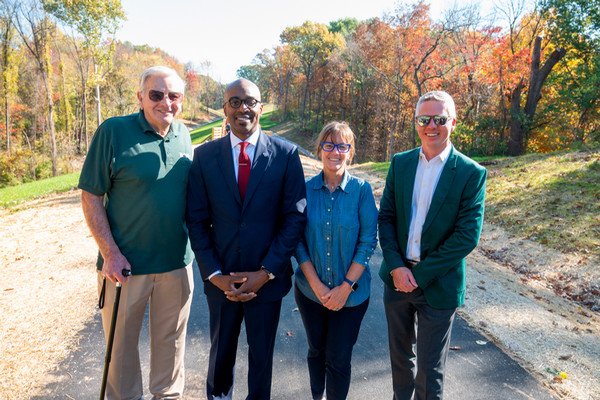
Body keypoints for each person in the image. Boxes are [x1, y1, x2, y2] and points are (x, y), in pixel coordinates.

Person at [185, 78, 307, 400]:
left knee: (262, 358)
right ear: (224, 109)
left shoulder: (286, 154)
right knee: (220, 355)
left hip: (266, 282)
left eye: (250, 101)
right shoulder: (205, 156)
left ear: (261, 108)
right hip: (221, 281)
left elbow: (294, 218)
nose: (243, 108)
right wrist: (215, 275)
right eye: (235, 102)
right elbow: (196, 220)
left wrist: (266, 272)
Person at [78, 66, 195, 400]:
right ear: (141, 97)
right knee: (121, 354)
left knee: (171, 350)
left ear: (182, 101)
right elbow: (91, 195)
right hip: (124, 267)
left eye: (173, 96)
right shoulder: (114, 131)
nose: (165, 102)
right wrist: (110, 253)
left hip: (176, 265)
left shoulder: (184, 135)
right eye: (156, 95)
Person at [378, 91, 487, 400]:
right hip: (396, 281)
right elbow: (386, 217)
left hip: (438, 285)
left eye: (439, 119)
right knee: (400, 362)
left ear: (452, 122)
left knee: (430, 370)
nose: (432, 126)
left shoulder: (470, 173)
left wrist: (420, 275)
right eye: (424, 119)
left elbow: (467, 236)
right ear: (416, 123)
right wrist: (398, 267)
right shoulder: (400, 163)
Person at [294, 122, 378, 400]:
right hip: (310, 292)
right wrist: (316, 285)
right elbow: (297, 240)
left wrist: (345, 287)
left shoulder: (362, 191)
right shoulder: (304, 190)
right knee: (316, 350)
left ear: (350, 152)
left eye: (342, 146)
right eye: (329, 145)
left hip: (352, 296)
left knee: (339, 358)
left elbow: (367, 242)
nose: (335, 151)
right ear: (319, 149)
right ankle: (316, 395)